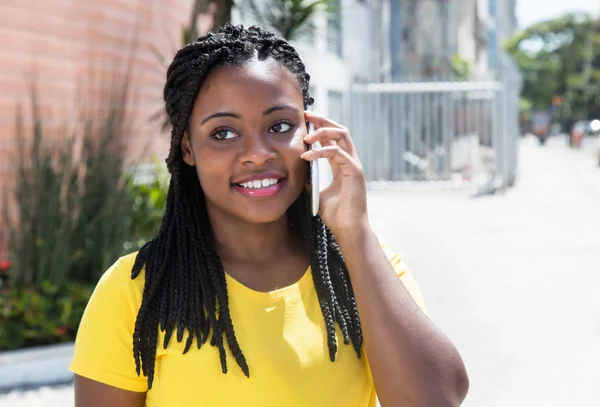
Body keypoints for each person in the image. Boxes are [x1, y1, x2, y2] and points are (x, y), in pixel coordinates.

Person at [69, 24, 469, 407]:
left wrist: (355, 232)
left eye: (280, 125)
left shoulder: (362, 268)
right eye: (223, 133)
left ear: (312, 131)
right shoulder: (135, 291)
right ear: (188, 148)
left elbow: (437, 400)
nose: (258, 152)